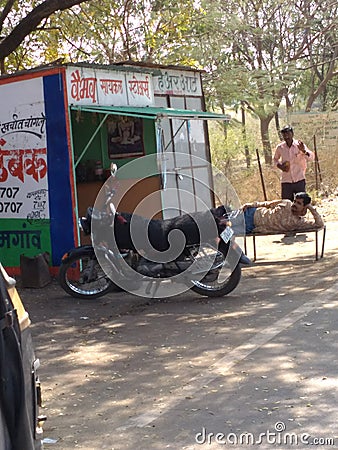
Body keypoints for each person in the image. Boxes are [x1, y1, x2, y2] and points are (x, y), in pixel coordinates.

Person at [229, 192, 324, 235]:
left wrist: (311, 208)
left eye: (298, 203)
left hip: (251, 227)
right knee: (222, 222)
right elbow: (267, 204)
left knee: (224, 234)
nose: (294, 204)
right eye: (295, 201)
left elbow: (319, 224)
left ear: (304, 207)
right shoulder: (286, 203)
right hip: (251, 214)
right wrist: (250, 205)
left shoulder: (299, 223)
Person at [273, 126, 314, 201]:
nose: (286, 136)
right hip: (286, 181)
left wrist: (304, 151)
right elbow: (275, 159)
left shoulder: (299, 145)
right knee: (286, 204)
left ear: (292, 134)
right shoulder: (280, 147)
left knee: (301, 203)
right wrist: (280, 166)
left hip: (299, 179)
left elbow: (311, 157)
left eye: (288, 134)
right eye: (284, 135)